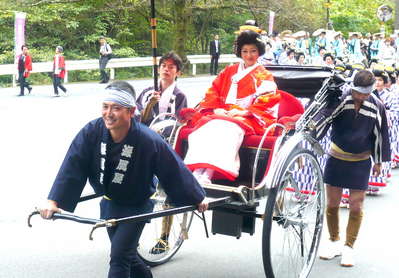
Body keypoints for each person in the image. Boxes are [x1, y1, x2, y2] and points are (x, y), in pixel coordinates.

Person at [39, 80, 208, 278]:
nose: (109, 114)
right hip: (110, 204)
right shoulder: (92, 131)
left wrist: (196, 196)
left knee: (119, 257)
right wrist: (54, 201)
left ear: (131, 111)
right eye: (105, 107)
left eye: (116, 108)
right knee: (128, 255)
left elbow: (172, 169)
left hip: (137, 205)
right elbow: (73, 164)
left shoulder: (148, 139)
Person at [182, 30, 279, 183]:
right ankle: (197, 169)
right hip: (223, 114)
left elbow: (267, 101)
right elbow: (214, 90)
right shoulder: (229, 71)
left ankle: (209, 172)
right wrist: (215, 109)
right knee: (205, 129)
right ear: (240, 52)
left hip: (248, 118)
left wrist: (245, 112)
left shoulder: (264, 75)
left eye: (253, 51)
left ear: (259, 52)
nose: (249, 55)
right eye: (245, 51)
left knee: (227, 131)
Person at [316, 70, 390, 267]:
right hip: (337, 156)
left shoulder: (377, 106)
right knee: (332, 204)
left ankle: (349, 247)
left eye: (365, 93)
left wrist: (378, 161)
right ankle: (333, 241)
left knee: (356, 205)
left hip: (361, 160)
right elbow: (325, 116)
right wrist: (312, 132)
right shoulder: (343, 97)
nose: (360, 96)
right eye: (358, 92)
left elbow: (380, 134)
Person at [137, 51, 187, 126]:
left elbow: (179, 123)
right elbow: (135, 115)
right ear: (158, 69)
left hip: (167, 136)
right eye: (163, 66)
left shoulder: (180, 96)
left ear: (178, 73)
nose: (166, 69)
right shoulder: (147, 92)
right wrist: (149, 105)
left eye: (171, 67)